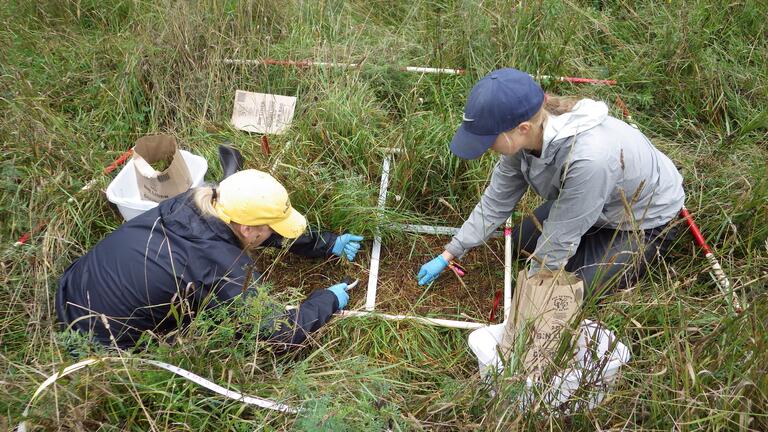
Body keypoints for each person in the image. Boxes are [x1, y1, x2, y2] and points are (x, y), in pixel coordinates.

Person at [417, 67, 685, 297]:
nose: (486, 148)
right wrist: (449, 254)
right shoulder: (523, 139)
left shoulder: (589, 159)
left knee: (573, 292)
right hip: (592, 204)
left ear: (522, 128)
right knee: (521, 244)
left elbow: (559, 238)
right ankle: (587, 246)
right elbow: (496, 202)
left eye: (489, 140)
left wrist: (531, 295)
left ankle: (642, 250)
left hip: (642, 220)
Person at [57, 169, 364, 350]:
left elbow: (256, 230)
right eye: (271, 228)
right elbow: (278, 333)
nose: (272, 234)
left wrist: (326, 243)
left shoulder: (196, 200)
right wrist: (326, 301)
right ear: (248, 229)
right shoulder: (224, 268)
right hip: (100, 345)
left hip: (72, 288)